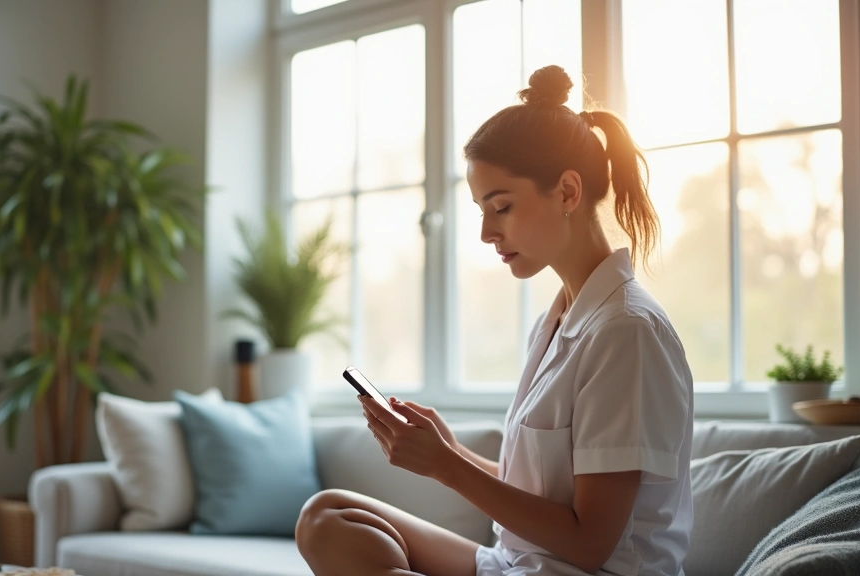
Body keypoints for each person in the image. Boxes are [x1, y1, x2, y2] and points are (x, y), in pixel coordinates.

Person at [296, 65, 694, 576]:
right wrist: (449, 451)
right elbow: (539, 498)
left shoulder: (627, 333)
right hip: (515, 563)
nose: (486, 232)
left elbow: (590, 544)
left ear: (568, 193)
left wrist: (447, 465)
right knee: (327, 516)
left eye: (501, 207)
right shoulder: (560, 319)